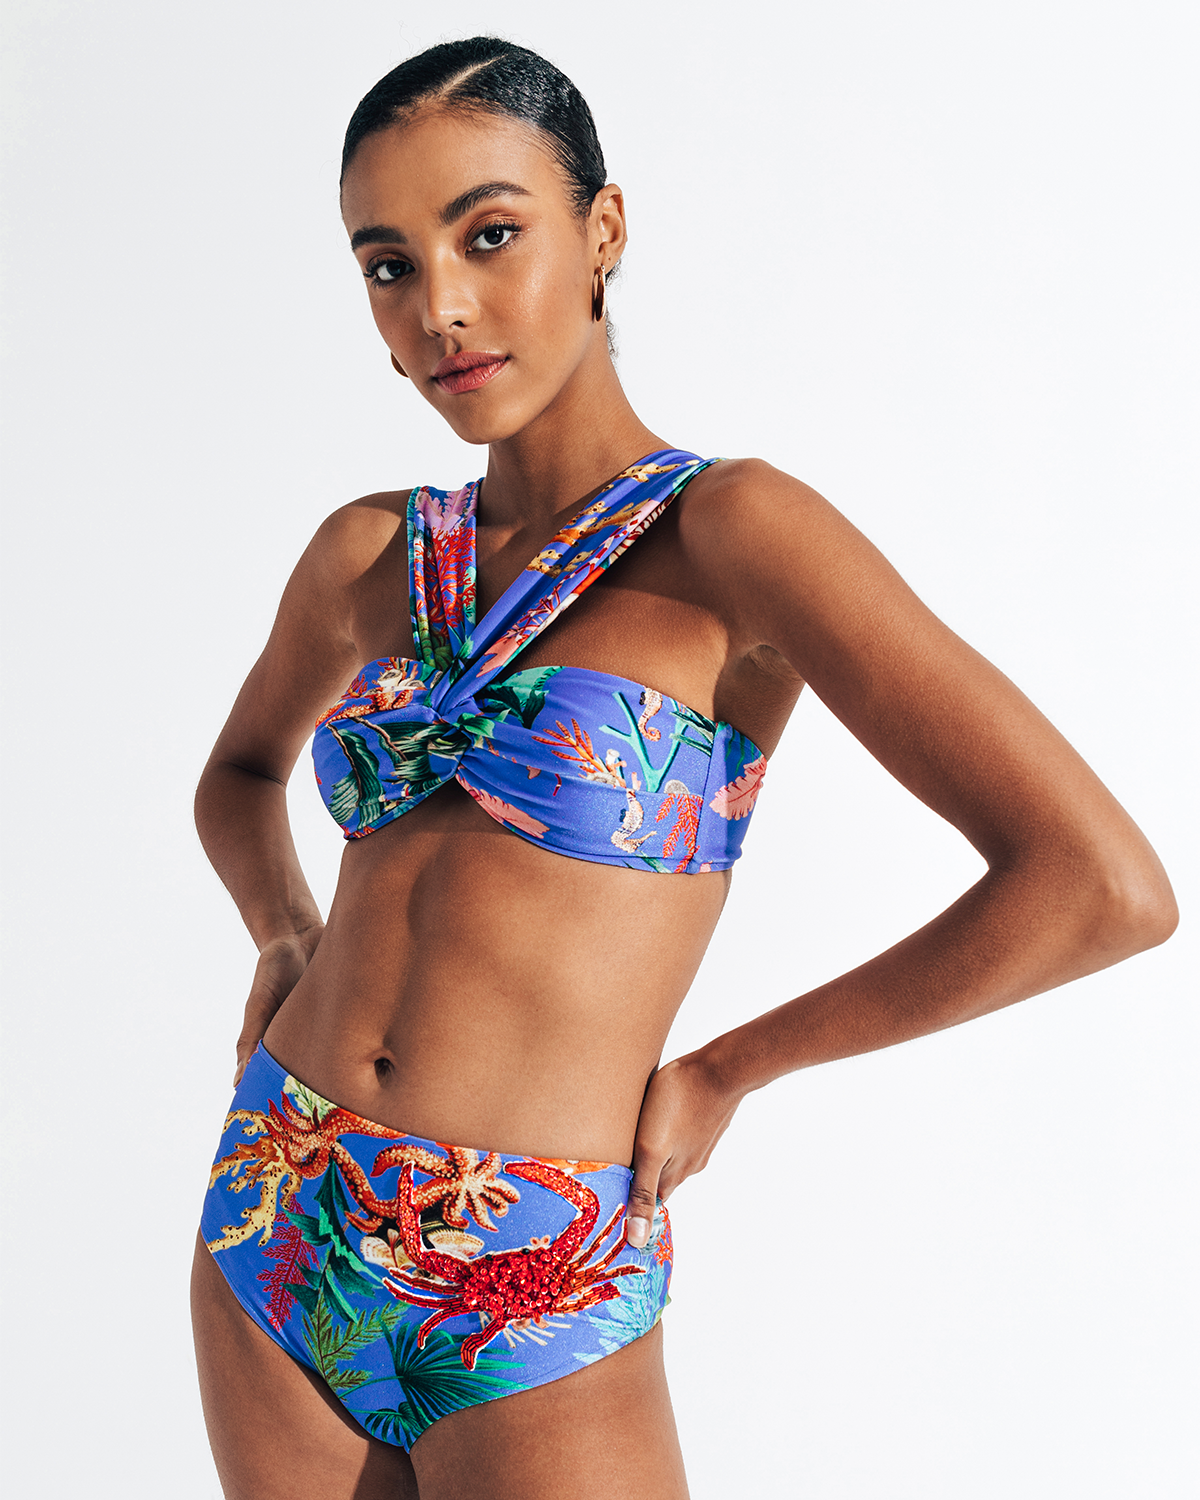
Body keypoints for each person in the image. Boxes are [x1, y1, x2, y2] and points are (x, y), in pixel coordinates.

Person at [189, 35, 1177, 1500]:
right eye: (388, 265)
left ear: (603, 230)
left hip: (537, 1267)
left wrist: (733, 1068)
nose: (439, 306)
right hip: (277, 1194)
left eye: (489, 235)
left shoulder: (734, 537)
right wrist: (282, 927)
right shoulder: (369, 551)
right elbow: (238, 775)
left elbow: (1100, 887)